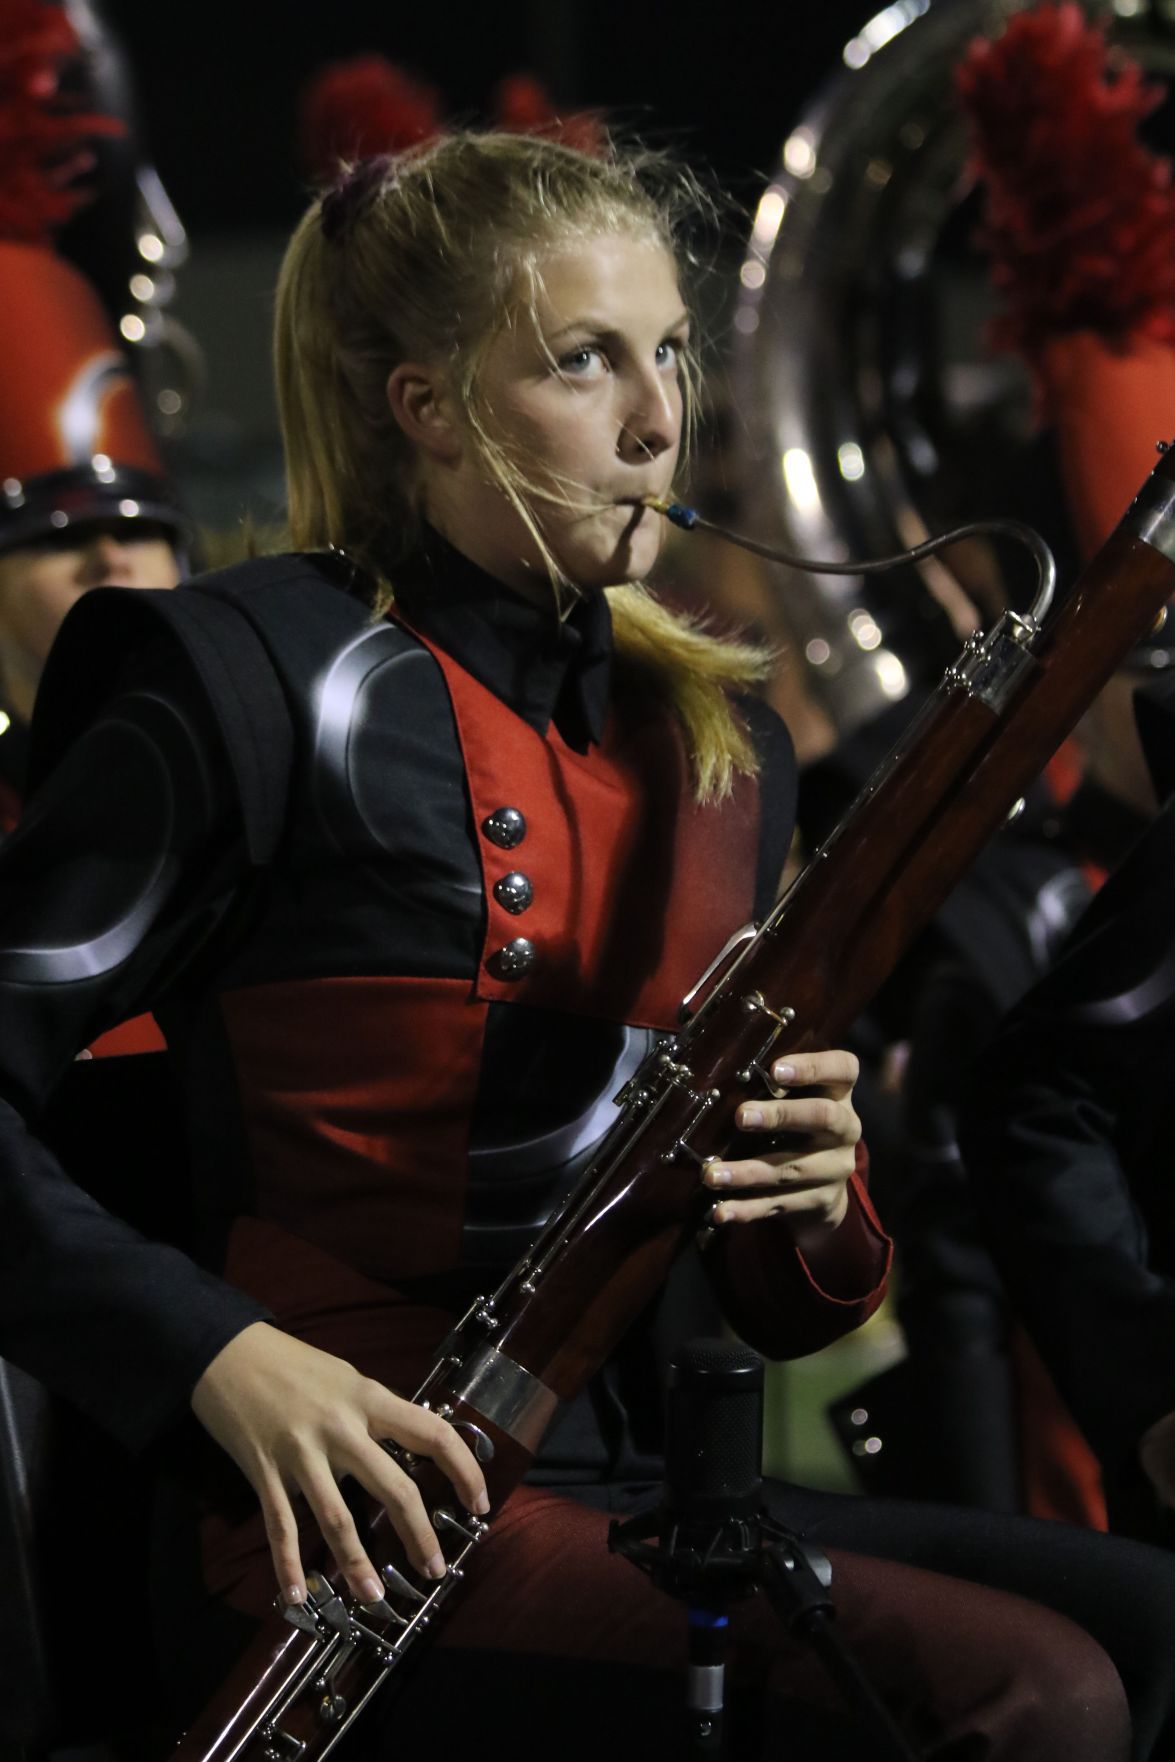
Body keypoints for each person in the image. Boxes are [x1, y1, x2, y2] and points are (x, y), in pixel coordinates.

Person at [4, 127, 1175, 1761]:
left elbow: (775, 1306)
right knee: (1033, 1694)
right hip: (333, 1521)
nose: (657, 417)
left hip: (635, 1479)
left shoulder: (722, 752)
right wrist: (216, 1355)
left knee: (1152, 1619)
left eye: (674, 354)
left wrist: (807, 1185)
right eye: (585, 361)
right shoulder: (239, 679)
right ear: (425, 408)